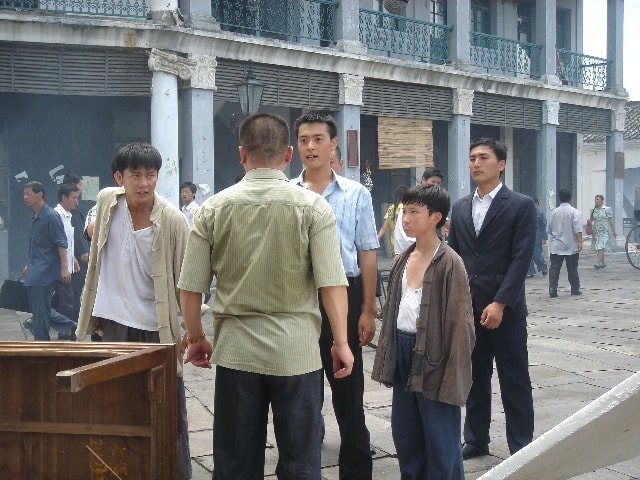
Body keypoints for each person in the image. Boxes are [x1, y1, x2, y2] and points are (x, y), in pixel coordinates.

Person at [177, 113, 354, 479]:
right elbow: (332, 284)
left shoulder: (212, 209)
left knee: (236, 464)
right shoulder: (313, 208)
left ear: (242, 153)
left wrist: (195, 337)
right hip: (297, 353)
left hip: (236, 353)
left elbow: (190, 288)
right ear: (288, 154)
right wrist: (340, 341)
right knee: (301, 463)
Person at [75, 143, 192, 479]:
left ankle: (175, 473)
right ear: (119, 178)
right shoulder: (106, 201)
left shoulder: (173, 220)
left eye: (150, 175)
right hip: (113, 324)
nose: (144, 183)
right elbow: (92, 227)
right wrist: (89, 231)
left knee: (168, 409)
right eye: (135, 175)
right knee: (115, 405)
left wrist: (191, 330)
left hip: (156, 328)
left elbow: (186, 280)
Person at [293, 111, 378, 479]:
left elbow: (367, 253)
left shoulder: (356, 194)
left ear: (333, 144)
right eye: (304, 140)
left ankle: (356, 470)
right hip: (299, 298)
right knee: (301, 392)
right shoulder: (287, 193)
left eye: (318, 139)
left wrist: (367, 309)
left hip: (345, 293)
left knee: (348, 392)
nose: (310, 147)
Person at [372, 185, 475, 480]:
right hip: (404, 350)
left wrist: (452, 376)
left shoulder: (450, 263)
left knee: (440, 438)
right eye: (404, 211)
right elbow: (391, 316)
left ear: (435, 217)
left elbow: (460, 326)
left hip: (435, 356)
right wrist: (389, 361)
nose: (405, 218)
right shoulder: (402, 259)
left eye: (414, 212)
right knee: (406, 435)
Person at [447, 137, 536, 459]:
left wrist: (500, 302)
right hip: (470, 308)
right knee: (474, 378)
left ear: (501, 164)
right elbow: (455, 257)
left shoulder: (520, 205)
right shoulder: (461, 207)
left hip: (506, 311)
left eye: (483, 157)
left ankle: (522, 444)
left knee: (514, 379)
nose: (476, 163)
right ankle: (475, 438)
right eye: (472, 158)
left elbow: (521, 258)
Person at [22, 181, 77, 341]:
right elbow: (36, 245)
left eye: (28, 194)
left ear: (40, 194)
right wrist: (28, 264)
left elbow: (61, 243)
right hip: (35, 270)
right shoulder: (35, 216)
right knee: (40, 309)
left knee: (41, 310)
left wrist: (64, 268)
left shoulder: (51, 216)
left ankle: (42, 342)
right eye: (24, 194)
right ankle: (71, 325)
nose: (25, 197)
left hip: (45, 272)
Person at [394, 167, 444, 255]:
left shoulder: (434, 201)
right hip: (410, 250)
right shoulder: (415, 198)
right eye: (433, 182)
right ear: (423, 180)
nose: (436, 186)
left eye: (438, 183)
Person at [62, 174, 90, 322]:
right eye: (80, 185)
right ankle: (72, 323)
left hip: (76, 255)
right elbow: (76, 233)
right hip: (76, 256)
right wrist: (83, 251)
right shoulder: (68, 210)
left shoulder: (74, 206)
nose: (81, 189)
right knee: (73, 291)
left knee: (75, 291)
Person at [52, 183, 81, 322]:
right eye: (74, 197)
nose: (76, 201)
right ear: (64, 197)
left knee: (66, 301)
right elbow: (58, 243)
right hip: (59, 268)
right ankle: (64, 332)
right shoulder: (56, 215)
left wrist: (72, 258)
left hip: (67, 266)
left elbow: (67, 241)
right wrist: (64, 267)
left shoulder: (68, 215)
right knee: (65, 303)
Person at [547, 188, 583, 297]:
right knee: (572, 268)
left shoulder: (554, 212)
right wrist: (580, 242)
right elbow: (578, 229)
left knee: (554, 268)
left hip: (556, 245)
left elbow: (549, 229)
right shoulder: (574, 212)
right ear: (571, 198)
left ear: (559, 198)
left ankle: (552, 289)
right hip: (571, 244)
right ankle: (575, 289)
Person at [377, 184, 407, 254]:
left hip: (395, 242)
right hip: (407, 241)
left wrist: (376, 240)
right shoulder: (408, 208)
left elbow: (384, 227)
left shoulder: (391, 208)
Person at [590, 194, 617, 269]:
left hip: (604, 230)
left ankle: (598, 262)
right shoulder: (593, 210)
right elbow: (591, 219)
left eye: (597, 199)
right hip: (596, 230)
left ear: (602, 200)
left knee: (600, 245)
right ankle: (602, 262)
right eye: (595, 199)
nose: (596, 201)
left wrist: (614, 231)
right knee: (599, 246)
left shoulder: (606, 209)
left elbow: (610, 220)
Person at [527, 197, 548, 278]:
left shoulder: (540, 214)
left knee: (537, 255)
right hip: (527, 237)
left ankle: (543, 267)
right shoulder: (526, 213)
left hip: (537, 238)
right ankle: (530, 272)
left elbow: (543, 226)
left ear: (536, 203)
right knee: (528, 256)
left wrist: (544, 237)